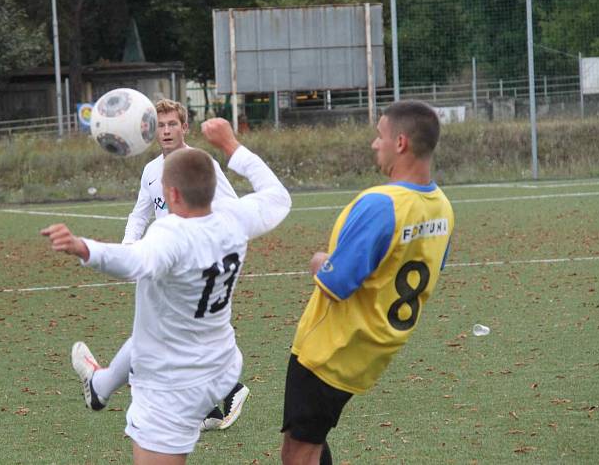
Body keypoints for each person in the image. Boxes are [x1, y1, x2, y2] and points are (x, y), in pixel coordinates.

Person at [43, 117, 291, 463]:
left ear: (171, 194)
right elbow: (277, 197)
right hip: (221, 366)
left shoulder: (172, 235)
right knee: (149, 330)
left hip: (173, 383)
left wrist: (84, 247)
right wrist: (231, 145)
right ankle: (100, 386)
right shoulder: (234, 218)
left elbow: (133, 261)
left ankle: (100, 387)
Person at [281, 100, 455, 465]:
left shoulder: (380, 204)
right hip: (372, 349)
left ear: (401, 143)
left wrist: (318, 262)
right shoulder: (443, 207)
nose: (375, 144)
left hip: (330, 350)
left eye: (380, 136)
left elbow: (336, 283)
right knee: (309, 441)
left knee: (298, 454)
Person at [85, 99, 250, 432]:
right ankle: (210, 406)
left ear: (184, 127)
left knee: (161, 332)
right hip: (165, 262)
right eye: (159, 126)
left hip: (197, 263)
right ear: (149, 131)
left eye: (172, 124)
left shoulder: (200, 163)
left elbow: (233, 208)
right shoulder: (150, 172)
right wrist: (130, 248)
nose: (166, 131)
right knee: (166, 333)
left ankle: (228, 389)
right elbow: (139, 214)